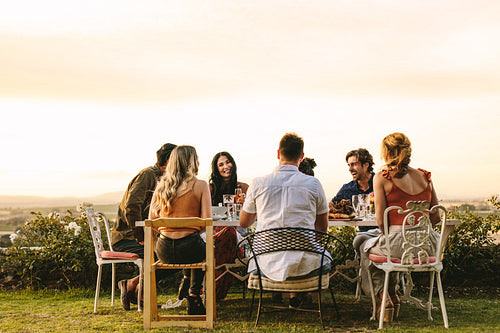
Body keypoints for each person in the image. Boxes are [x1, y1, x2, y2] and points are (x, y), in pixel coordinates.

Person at [357, 132, 441, 322]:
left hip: (397, 244)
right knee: (385, 251)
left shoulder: (382, 177)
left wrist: (395, 234)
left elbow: (381, 221)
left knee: (365, 247)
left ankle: (383, 296)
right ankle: (393, 293)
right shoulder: (425, 176)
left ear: (386, 152)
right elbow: (435, 216)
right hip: (428, 247)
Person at [239, 132, 329, 308]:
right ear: (301, 157)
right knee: (321, 255)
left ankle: (279, 293)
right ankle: (300, 295)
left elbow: (244, 223)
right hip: (305, 264)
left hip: (266, 261)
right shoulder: (313, 184)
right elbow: (322, 229)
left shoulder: (258, 183)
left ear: (278, 153)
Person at [112, 143, 177, 310]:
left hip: (147, 237)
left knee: (176, 254)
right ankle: (139, 291)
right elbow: (131, 207)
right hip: (127, 238)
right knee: (168, 256)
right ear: (170, 160)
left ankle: (132, 284)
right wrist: (140, 237)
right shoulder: (147, 175)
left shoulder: (165, 180)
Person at [149, 145, 212, 315]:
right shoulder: (201, 185)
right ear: (192, 162)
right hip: (191, 248)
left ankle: (188, 286)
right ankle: (194, 295)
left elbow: (152, 222)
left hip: (164, 250)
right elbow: (207, 222)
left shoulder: (161, 187)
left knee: (195, 247)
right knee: (205, 249)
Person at [208, 151, 249, 300]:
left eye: (228, 162)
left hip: (239, 231)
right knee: (227, 235)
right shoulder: (210, 189)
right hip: (216, 233)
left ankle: (216, 291)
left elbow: (252, 213)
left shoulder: (243, 188)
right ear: (216, 169)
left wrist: (245, 205)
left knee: (231, 234)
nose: (226, 166)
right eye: (221, 164)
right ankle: (212, 289)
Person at [331, 148, 375, 233]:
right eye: (349, 165)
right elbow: (331, 205)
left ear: (366, 165)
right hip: (364, 236)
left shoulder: (381, 183)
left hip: (385, 234)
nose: (350, 169)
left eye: (354, 164)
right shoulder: (347, 189)